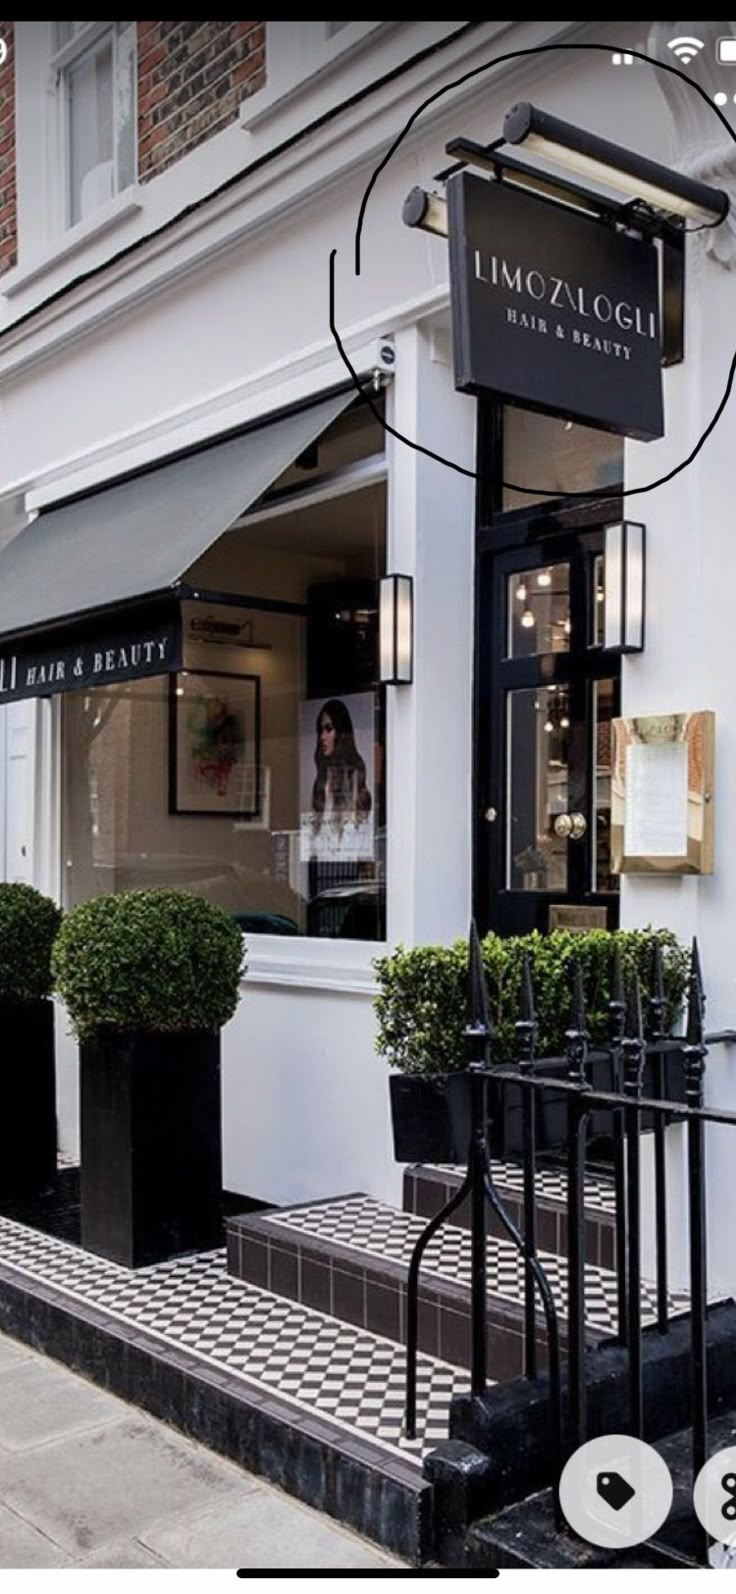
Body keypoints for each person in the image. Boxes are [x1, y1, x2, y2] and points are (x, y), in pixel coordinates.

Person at [309, 698, 372, 856]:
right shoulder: (322, 782)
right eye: (320, 730)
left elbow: (360, 837)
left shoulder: (354, 778)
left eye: (328, 729)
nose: (322, 737)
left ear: (342, 733)